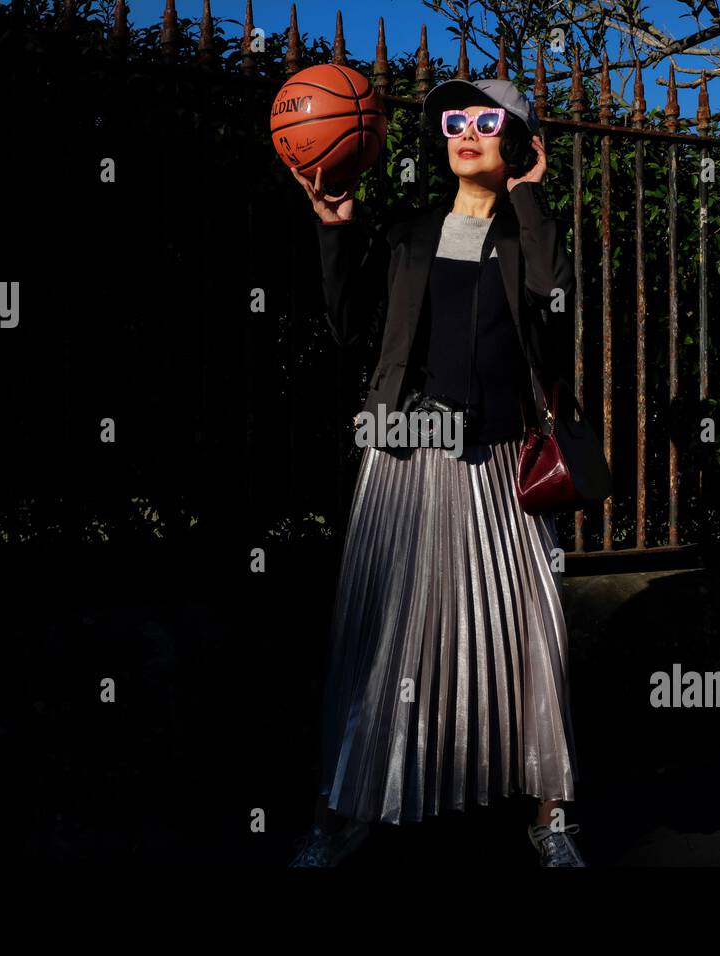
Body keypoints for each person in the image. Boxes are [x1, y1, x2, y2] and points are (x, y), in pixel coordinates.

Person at [289, 78, 584, 867]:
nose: (466, 131)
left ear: (518, 143)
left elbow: (556, 320)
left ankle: (551, 816)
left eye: (488, 121)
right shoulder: (408, 232)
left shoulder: (527, 237)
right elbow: (352, 329)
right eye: (455, 119)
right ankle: (341, 814)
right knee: (382, 643)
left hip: (499, 469)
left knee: (536, 634)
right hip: (405, 462)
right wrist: (334, 231)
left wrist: (530, 201)